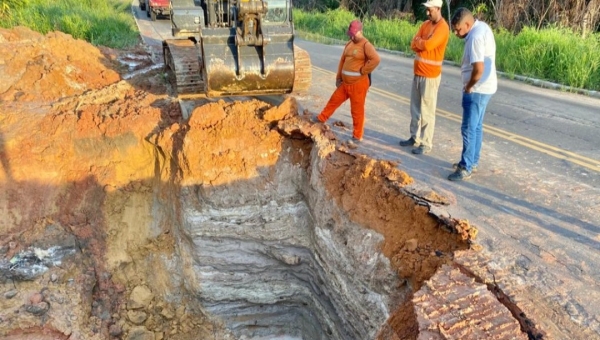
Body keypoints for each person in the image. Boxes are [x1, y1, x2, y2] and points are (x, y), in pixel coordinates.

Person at [448, 7, 497, 181]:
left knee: (468, 128)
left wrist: (469, 86)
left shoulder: (475, 37)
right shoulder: (482, 27)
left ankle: (466, 166)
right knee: (476, 127)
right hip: (487, 87)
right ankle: (473, 162)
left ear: (468, 24)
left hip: (477, 90)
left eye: (458, 29)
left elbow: (478, 68)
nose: (456, 33)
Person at [314, 19, 380, 146]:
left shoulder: (366, 45)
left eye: (353, 34)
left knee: (357, 110)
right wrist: (338, 77)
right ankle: (321, 118)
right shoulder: (349, 44)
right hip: (345, 83)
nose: (352, 36)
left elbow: (376, 59)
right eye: (350, 34)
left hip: (358, 84)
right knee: (334, 100)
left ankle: (357, 136)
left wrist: (364, 70)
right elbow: (342, 61)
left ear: (360, 31)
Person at [398, 0, 449, 155]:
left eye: (430, 10)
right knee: (415, 109)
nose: (427, 13)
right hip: (418, 72)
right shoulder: (425, 24)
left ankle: (426, 143)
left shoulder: (443, 28)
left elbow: (427, 45)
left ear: (438, 9)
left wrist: (420, 42)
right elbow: (413, 43)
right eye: (427, 10)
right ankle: (414, 137)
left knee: (427, 111)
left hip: (430, 76)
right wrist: (421, 42)